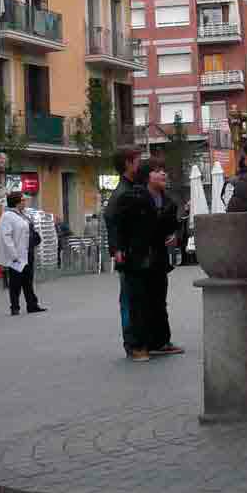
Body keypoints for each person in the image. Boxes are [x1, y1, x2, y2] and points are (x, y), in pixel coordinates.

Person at [112, 159, 184, 361]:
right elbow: (118, 224)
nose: (163, 174)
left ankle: (160, 342)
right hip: (136, 258)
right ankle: (138, 346)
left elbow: (169, 227)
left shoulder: (167, 200)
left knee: (159, 303)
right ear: (147, 176)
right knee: (138, 303)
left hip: (158, 259)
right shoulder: (132, 197)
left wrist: (175, 231)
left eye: (164, 171)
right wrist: (117, 248)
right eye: (157, 171)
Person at [105, 144, 144, 355]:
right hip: (127, 253)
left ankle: (137, 341)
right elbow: (111, 218)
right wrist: (117, 248)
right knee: (129, 299)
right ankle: (131, 344)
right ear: (128, 163)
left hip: (132, 250)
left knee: (133, 298)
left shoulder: (130, 187)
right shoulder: (122, 192)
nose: (141, 163)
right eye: (137, 160)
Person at [0, 192, 41, 315]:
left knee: (28, 280)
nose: (24, 202)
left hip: (27, 252)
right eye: (22, 200)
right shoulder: (7, 216)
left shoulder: (23, 215)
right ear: (16, 202)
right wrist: (13, 254)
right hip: (17, 254)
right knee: (15, 282)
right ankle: (15, 307)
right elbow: (6, 237)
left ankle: (32, 304)